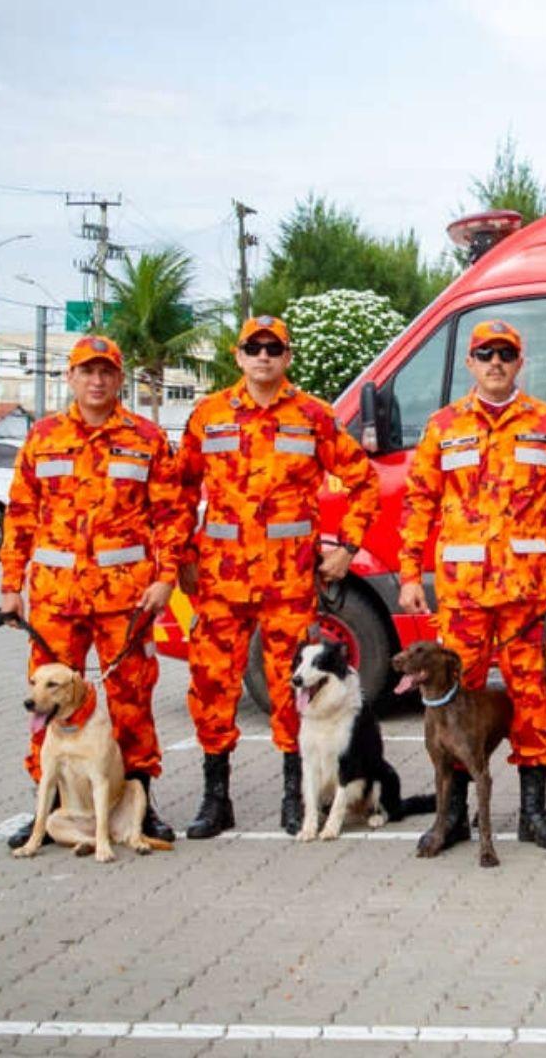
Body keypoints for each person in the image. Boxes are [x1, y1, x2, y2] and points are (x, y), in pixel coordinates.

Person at [177, 315, 380, 838]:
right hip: (220, 583)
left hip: (289, 584)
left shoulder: (313, 415)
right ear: (237, 354)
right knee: (211, 687)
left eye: (274, 348)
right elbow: (175, 493)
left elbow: (363, 481)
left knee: (294, 691)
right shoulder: (208, 416)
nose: (263, 355)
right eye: (254, 347)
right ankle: (215, 799)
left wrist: (347, 549)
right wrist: (179, 557)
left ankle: (298, 799)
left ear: (287, 357)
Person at [398, 320, 546, 853]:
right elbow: (418, 502)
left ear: (520, 362)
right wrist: (409, 574)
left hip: (526, 595)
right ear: (470, 363)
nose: (495, 362)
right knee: (451, 703)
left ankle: (533, 814)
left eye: (506, 353)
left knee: (532, 699)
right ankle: (452, 817)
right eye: (485, 353)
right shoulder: (443, 426)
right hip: (463, 599)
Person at [0, 335, 186, 849]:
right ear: (71, 376)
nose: (97, 380)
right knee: (48, 703)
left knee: (131, 701)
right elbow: (19, 515)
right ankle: (50, 805)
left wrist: (165, 577)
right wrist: (10, 587)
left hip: (127, 601)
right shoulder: (42, 438)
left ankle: (139, 802)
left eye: (106, 372)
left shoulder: (146, 438)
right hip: (56, 602)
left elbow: (170, 516)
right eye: (87, 371)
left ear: (119, 378)